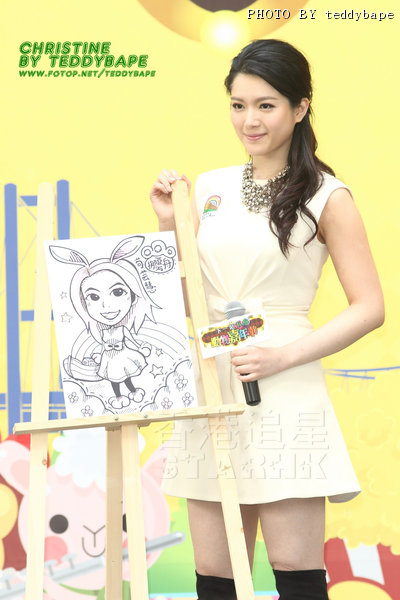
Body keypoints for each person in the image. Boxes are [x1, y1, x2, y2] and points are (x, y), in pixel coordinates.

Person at [149, 39, 384, 600]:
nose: (249, 120)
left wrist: (281, 357)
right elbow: (188, 302)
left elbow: (370, 307)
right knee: (216, 572)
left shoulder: (328, 196)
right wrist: (168, 226)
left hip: (285, 382)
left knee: (294, 569)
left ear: (300, 108)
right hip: (215, 377)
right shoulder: (210, 186)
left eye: (266, 105)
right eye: (238, 105)